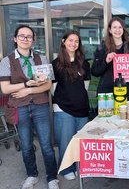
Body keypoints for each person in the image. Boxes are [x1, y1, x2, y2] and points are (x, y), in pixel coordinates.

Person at [0, 25, 59, 189]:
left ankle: (52, 177)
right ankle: (32, 175)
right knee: (26, 145)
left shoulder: (42, 59)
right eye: (22, 36)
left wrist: (29, 89)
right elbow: (5, 88)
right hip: (20, 107)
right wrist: (26, 83)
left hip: (40, 106)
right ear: (15, 39)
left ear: (33, 40)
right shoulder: (7, 61)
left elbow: (47, 85)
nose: (25, 39)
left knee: (46, 144)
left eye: (29, 36)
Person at [51, 30, 91, 180]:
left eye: (76, 41)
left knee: (81, 140)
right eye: (70, 40)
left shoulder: (84, 63)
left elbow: (85, 85)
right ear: (63, 41)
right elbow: (52, 87)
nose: (73, 44)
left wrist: (76, 97)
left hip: (82, 107)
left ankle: (80, 166)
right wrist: (64, 99)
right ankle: (66, 168)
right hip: (63, 108)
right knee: (66, 140)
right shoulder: (55, 64)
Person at [91, 17, 129, 100]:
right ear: (110, 30)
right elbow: (95, 72)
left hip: (127, 92)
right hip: (107, 93)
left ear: (123, 29)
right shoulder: (102, 48)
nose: (117, 30)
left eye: (120, 27)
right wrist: (106, 61)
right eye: (114, 27)